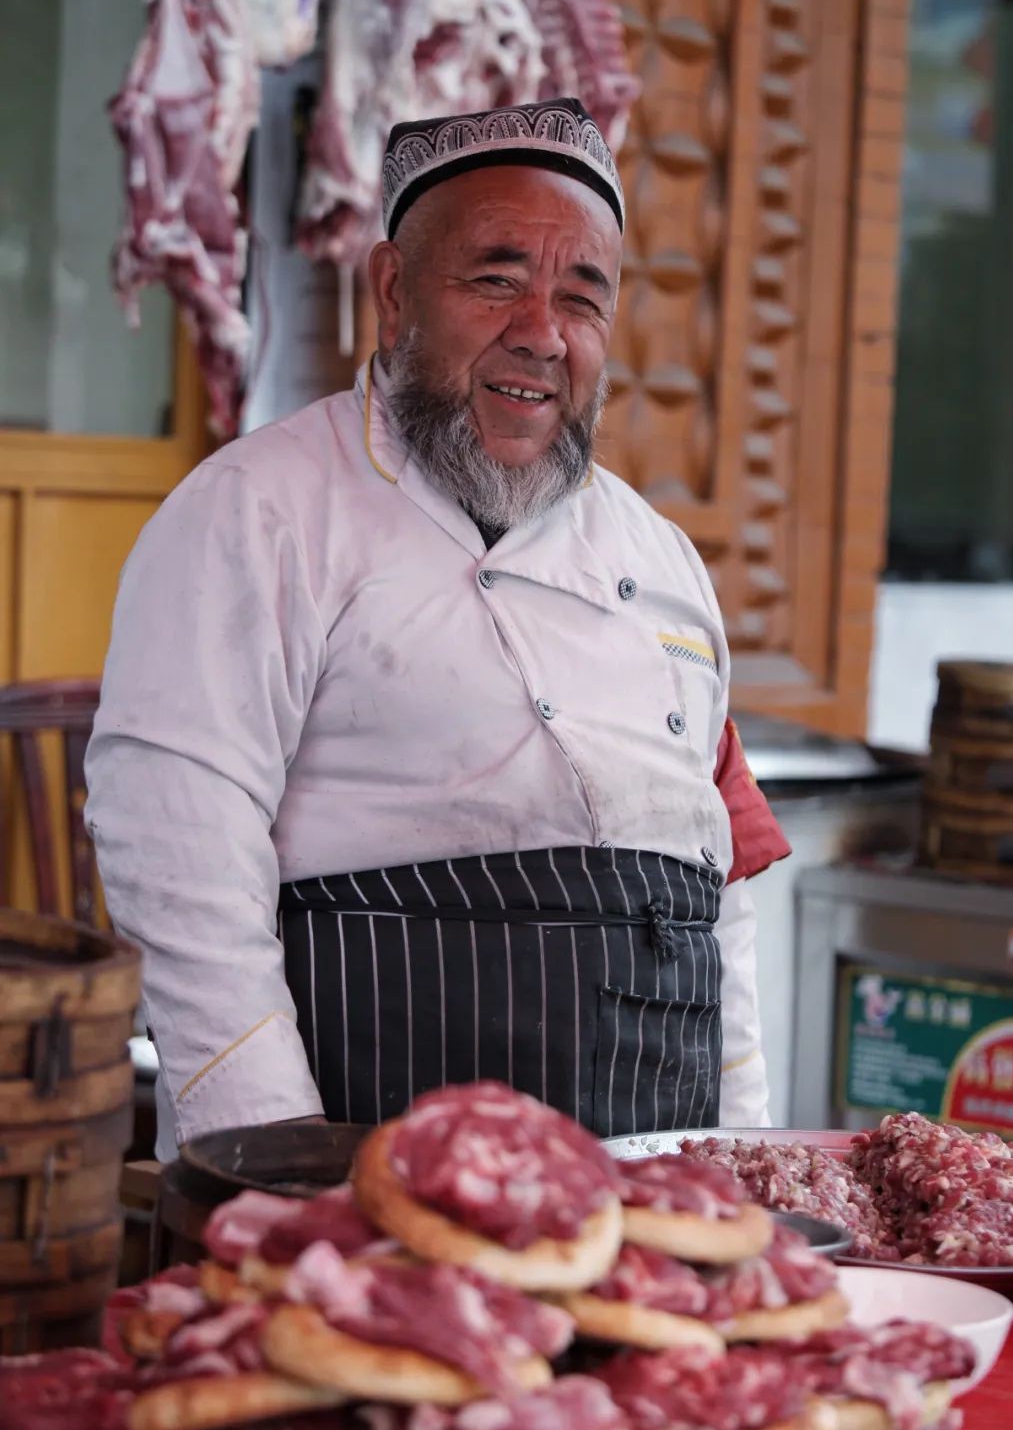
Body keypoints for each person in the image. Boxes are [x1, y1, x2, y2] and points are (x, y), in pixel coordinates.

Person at [85, 98, 787, 1161]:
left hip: (652, 1197)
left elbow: (718, 890)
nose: (542, 334)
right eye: (495, 279)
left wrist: (746, 1166)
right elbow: (173, 852)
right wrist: (273, 1162)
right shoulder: (257, 510)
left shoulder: (664, 562)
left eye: (582, 297)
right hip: (360, 1187)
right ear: (392, 291)